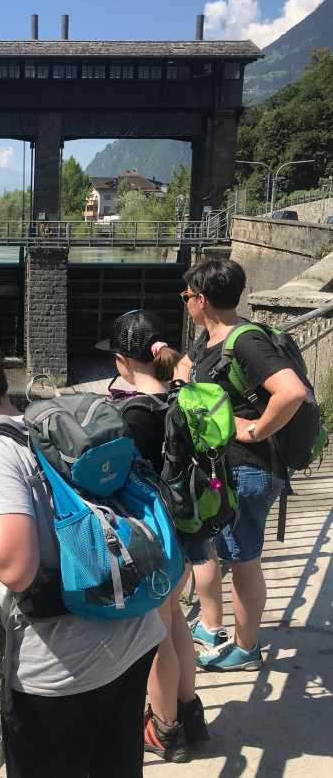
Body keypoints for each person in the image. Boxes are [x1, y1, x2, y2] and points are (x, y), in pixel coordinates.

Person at [0, 329, 165, 778]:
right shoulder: (47, 425)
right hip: (132, 634)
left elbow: (16, 567)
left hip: (68, 667)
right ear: (1, 380)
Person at [175, 258, 306, 671]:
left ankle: (246, 648)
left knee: (243, 561)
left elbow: (291, 391)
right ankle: (214, 627)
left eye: (186, 296)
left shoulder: (245, 342)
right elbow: (189, 370)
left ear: (202, 299)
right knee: (221, 547)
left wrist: (253, 430)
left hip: (248, 469)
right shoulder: (211, 337)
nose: (185, 303)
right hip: (222, 472)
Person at [97, 310, 209, 763]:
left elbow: (117, 479)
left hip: (154, 534)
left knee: (154, 631)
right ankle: (189, 711)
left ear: (124, 361)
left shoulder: (135, 414)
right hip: (186, 527)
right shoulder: (180, 397)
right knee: (174, 620)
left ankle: (165, 728)